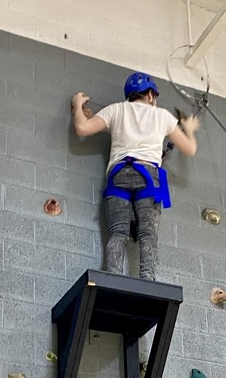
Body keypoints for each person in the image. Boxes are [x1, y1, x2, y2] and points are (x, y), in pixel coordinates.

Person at [72, 72, 199, 282]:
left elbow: (82, 128)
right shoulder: (163, 116)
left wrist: (78, 105)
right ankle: (148, 278)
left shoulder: (116, 109)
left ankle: (113, 275)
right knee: (148, 235)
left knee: (118, 232)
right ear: (150, 95)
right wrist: (190, 129)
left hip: (118, 175)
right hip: (148, 176)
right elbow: (190, 148)